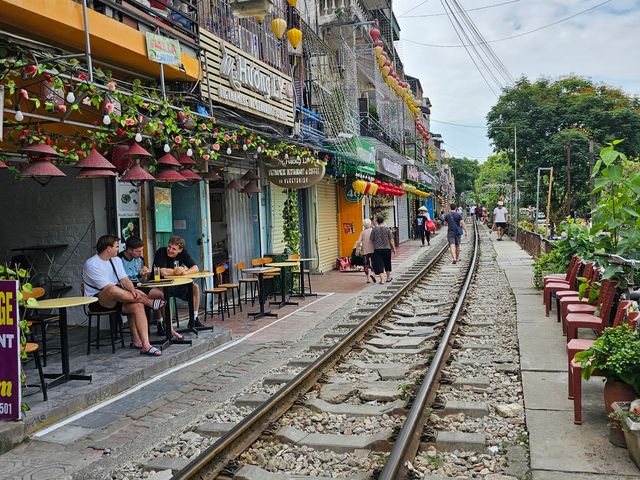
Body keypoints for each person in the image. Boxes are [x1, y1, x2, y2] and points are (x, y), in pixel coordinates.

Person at [82, 235, 163, 356]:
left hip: (119, 298)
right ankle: (148, 302)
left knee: (138, 305)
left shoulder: (116, 260)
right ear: (108, 248)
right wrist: (135, 293)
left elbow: (124, 279)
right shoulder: (92, 263)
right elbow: (106, 288)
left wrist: (133, 290)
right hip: (98, 301)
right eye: (115, 246)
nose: (118, 249)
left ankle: (145, 345)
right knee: (111, 289)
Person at [118, 237, 183, 340]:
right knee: (136, 303)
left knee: (162, 295)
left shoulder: (140, 260)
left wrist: (144, 275)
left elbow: (142, 281)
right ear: (129, 250)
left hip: (139, 286)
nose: (141, 253)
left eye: (141, 250)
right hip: (124, 289)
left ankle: (169, 328)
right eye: (138, 251)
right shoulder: (118, 260)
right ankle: (138, 337)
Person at [152, 236, 203, 328]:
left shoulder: (183, 253)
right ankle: (161, 323)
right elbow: (163, 271)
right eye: (169, 247)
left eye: (174, 249)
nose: (170, 250)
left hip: (176, 284)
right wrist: (177, 271)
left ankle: (194, 318)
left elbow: (195, 268)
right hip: (160, 284)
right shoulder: (161, 252)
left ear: (180, 250)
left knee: (195, 287)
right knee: (160, 295)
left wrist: (184, 271)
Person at [370, 215, 396, 284]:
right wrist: (394, 248)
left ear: (377, 222)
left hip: (377, 249)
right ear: (383, 221)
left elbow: (371, 239)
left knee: (379, 264)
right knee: (387, 262)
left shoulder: (374, 230)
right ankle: (388, 278)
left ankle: (382, 280)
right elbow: (391, 240)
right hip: (387, 249)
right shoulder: (387, 229)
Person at [356, 218, 376, 283]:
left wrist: (357, 251)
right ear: (370, 224)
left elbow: (358, 242)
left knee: (366, 264)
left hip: (365, 251)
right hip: (373, 250)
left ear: (364, 225)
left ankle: (368, 279)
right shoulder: (373, 230)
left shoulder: (363, 232)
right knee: (374, 263)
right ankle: (373, 274)